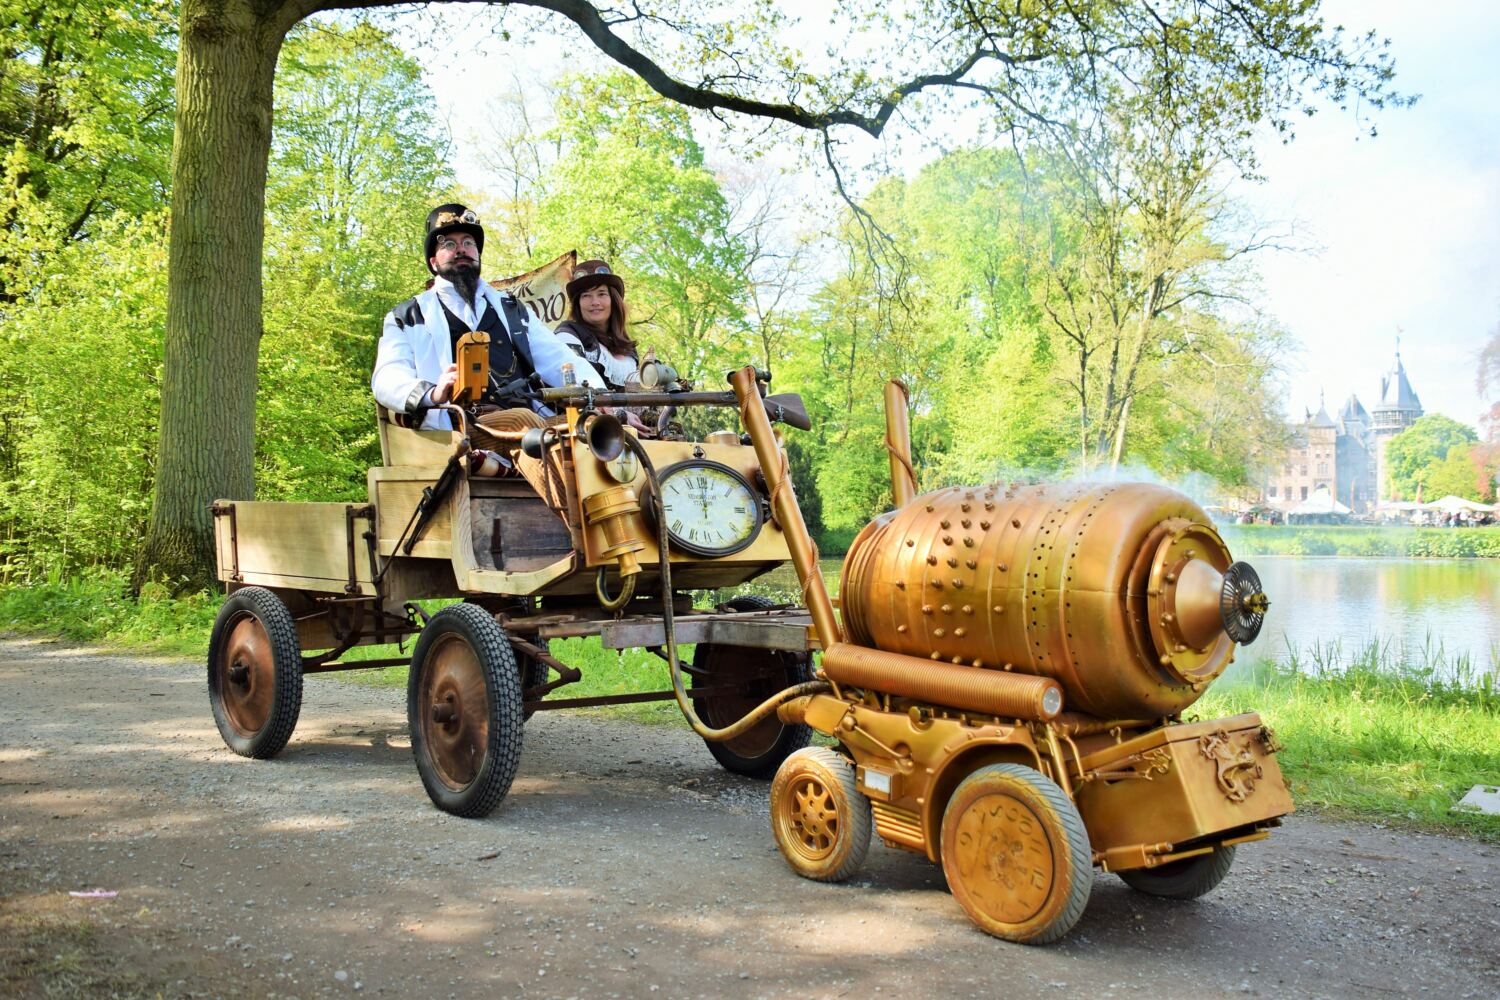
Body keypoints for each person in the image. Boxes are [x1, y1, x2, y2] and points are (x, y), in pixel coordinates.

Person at [372, 203, 605, 430]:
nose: (461, 249)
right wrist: (433, 392)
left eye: (468, 242)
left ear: (478, 254)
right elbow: (387, 379)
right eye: (449, 244)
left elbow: (559, 358)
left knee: (594, 427)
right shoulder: (407, 316)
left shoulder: (512, 309)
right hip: (463, 428)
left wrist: (600, 396)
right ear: (433, 262)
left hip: (532, 425)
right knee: (524, 422)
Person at [553, 259, 641, 391]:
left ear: (613, 300)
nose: (595, 302)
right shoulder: (568, 334)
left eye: (601, 294)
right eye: (586, 295)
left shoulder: (626, 347)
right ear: (578, 303)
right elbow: (572, 386)